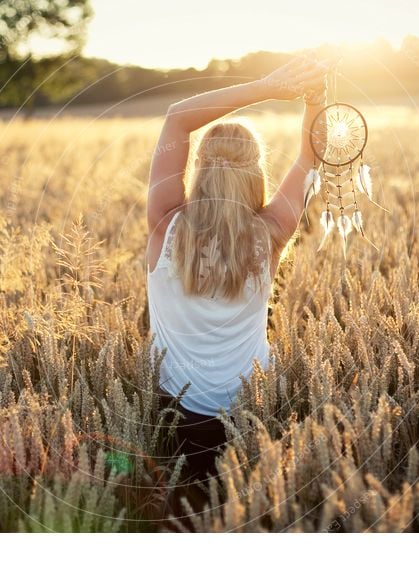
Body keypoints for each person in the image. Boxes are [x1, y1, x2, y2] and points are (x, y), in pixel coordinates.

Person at [146, 53, 329, 483]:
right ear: (256, 174)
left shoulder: (164, 223)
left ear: (199, 168)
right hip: (255, 413)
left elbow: (177, 119)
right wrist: (315, 99)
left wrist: (267, 86)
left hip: (177, 417)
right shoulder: (272, 232)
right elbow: (310, 156)